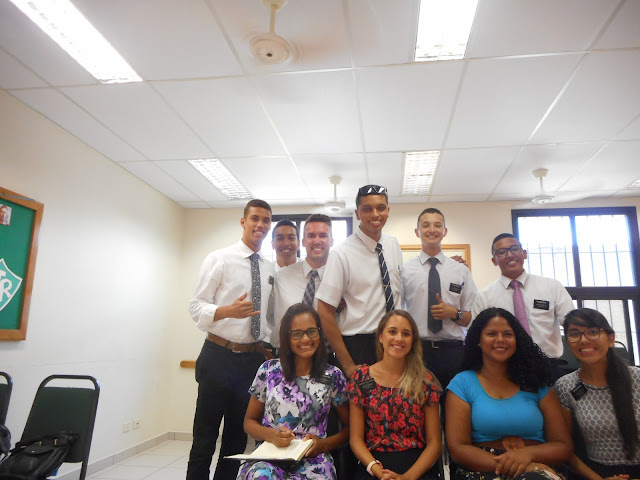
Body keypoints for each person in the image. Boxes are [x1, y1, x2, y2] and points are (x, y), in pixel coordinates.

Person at [187, 199, 275, 480]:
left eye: (265, 220)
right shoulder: (220, 258)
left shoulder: (269, 267)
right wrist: (227, 311)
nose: (260, 225)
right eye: (255, 218)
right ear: (243, 221)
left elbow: (269, 316)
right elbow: (196, 306)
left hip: (252, 361)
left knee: (236, 441)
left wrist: (266, 346)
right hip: (218, 356)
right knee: (205, 438)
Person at [446, 307, 572, 480]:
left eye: (507, 334)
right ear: (478, 341)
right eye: (491, 334)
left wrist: (527, 456)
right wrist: (517, 466)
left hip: (537, 468)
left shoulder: (537, 382)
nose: (500, 340)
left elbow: (563, 446)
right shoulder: (462, 383)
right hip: (483, 468)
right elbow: (458, 449)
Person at [237, 303, 349, 480]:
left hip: (313, 458)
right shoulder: (268, 370)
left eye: (311, 331)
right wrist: (271, 435)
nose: (305, 339)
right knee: (260, 476)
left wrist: (323, 445)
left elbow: (350, 430)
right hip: (270, 455)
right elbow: (248, 422)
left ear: (320, 333)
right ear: (286, 338)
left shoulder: (333, 376)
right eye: (297, 334)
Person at [317, 185, 403, 377]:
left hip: (394, 342)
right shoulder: (341, 253)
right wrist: (347, 365)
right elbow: (324, 311)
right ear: (357, 213)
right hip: (359, 345)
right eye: (367, 209)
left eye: (381, 208)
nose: (375, 214)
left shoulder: (393, 244)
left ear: (388, 210)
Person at [347, 310, 442, 480]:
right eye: (392, 332)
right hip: (374, 465)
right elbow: (355, 439)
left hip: (416, 468)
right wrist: (377, 470)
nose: (399, 338)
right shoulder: (361, 378)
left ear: (412, 341)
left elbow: (435, 444)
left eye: (406, 334)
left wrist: (406, 478)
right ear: (380, 336)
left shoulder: (426, 381)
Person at [471, 233, 575, 379]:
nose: (510, 255)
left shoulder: (552, 287)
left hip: (548, 367)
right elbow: (476, 336)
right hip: (504, 370)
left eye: (514, 249)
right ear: (494, 260)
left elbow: (572, 325)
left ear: (524, 253)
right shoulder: (484, 297)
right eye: (502, 252)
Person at [555, 308, 640, 480]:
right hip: (597, 473)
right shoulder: (565, 386)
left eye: (593, 332)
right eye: (574, 334)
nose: (583, 340)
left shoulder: (637, 378)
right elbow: (566, 448)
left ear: (611, 339)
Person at [403, 207, 478, 388]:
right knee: (417, 402)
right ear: (417, 231)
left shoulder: (460, 270)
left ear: (445, 231)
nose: (432, 230)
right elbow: (396, 313)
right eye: (426, 225)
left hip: (453, 352)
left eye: (437, 225)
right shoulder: (405, 270)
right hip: (417, 351)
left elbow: (474, 317)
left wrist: (454, 313)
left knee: (454, 402)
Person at [269, 214, 334, 348]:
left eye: (323, 235)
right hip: (285, 353)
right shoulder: (281, 277)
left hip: (326, 353)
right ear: (303, 242)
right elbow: (268, 316)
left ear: (332, 241)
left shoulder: (338, 278)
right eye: (311, 236)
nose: (317, 241)